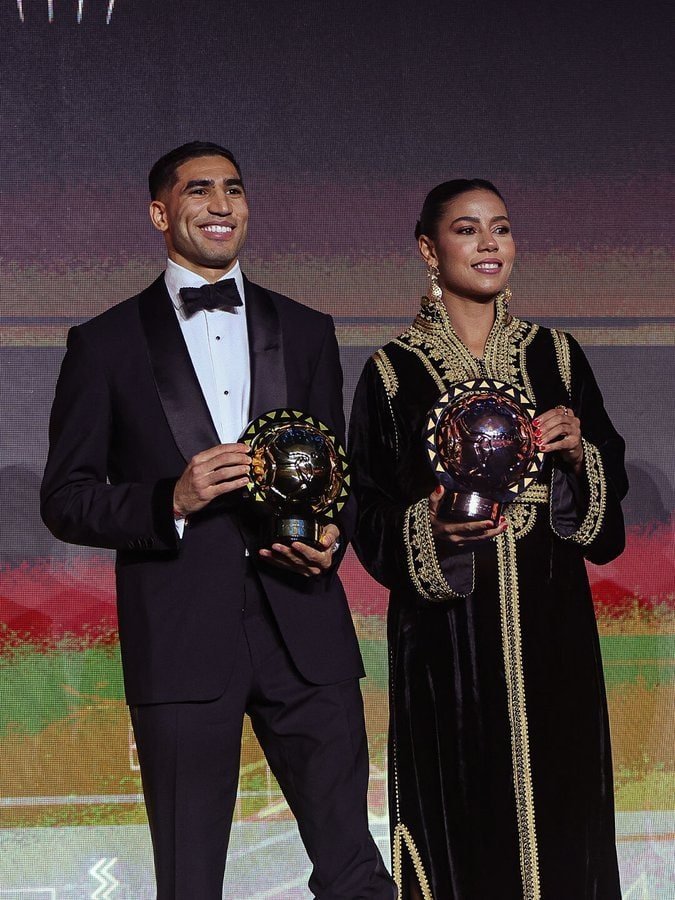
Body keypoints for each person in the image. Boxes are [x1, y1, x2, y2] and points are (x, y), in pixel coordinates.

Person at [41, 142, 395, 900]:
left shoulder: (305, 328)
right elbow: (64, 497)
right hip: (180, 638)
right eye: (198, 191)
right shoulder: (103, 344)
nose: (221, 204)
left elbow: (338, 478)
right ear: (159, 213)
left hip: (305, 632)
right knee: (190, 878)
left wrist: (332, 536)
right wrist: (169, 498)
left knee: (355, 871)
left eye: (233, 189)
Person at [348, 179, 627, 900]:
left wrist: (576, 454)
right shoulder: (390, 372)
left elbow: (606, 494)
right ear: (426, 249)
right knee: (459, 824)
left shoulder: (556, 357)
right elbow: (367, 514)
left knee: (565, 813)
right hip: (446, 647)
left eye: (499, 229)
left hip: (553, 630)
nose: (487, 244)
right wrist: (429, 528)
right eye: (466, 229)